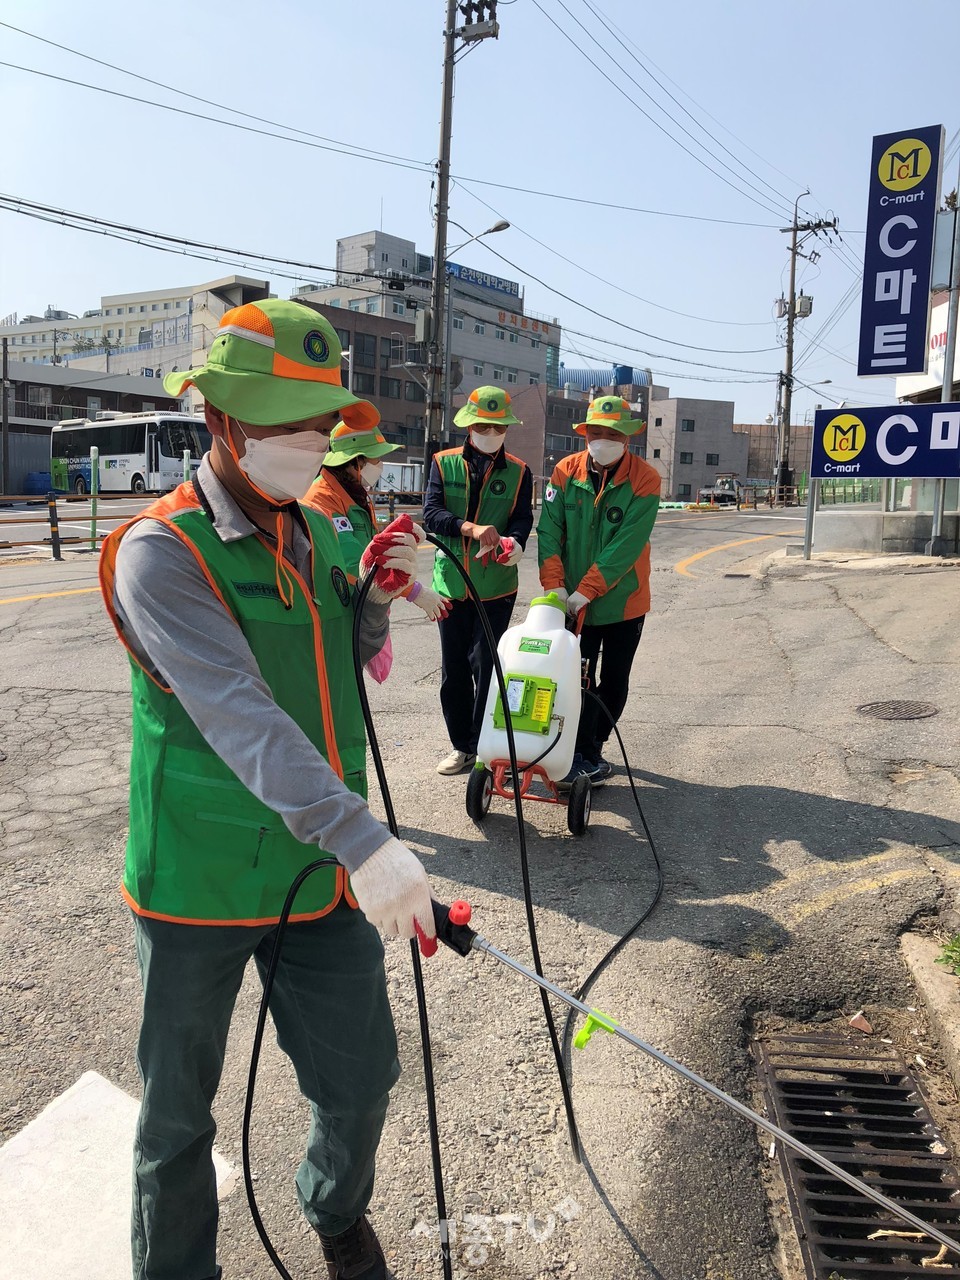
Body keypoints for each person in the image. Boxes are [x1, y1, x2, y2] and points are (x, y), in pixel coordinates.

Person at [99, 299, 436, 1280]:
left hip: (314, 873)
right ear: (218, 420)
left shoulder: (323, 534)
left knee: (363, 1076)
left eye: (317, 423)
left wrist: (374, 600)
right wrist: (368, 839)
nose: (306, 443)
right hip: (199, 881)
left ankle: (334, 1204)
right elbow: (239, 714)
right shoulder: (161, 553)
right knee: (175, 1121)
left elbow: (349, 662)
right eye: (283, 422)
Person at [537, 394, 660, 786]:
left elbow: (625, 545)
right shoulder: (564, 471)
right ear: (585, 434)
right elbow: (549, 530)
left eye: (611, 433)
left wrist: (586, 590)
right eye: (595, 432)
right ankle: (575, 748)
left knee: (614, 681)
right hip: (574, 604)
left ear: (627, 437)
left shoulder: (645, 479)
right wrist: (555, 585)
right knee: (575, 678)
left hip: (623, 602)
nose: (601, 439)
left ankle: (594, 746)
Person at [421, 385, 534, 775]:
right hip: (451, 583)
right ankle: (462, 746)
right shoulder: (442, 462)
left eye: (498, 425)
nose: (491, 431)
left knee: (487, 666)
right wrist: (468, 527)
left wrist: (516, 542)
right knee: (454, 670)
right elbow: (431, 515)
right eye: (484, 424)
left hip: (496, 586)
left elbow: (522, 518)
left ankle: (487, 744)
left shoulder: (519, 471)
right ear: (469, 426)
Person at [304, 422, 448, 621]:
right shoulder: (321, 498)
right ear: (356, 462)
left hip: (363, 604)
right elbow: (352, 560)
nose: (380, 464)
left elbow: (369, 546)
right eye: (376, 458)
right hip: (338, 610)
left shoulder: (353, 492)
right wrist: (413, 591)